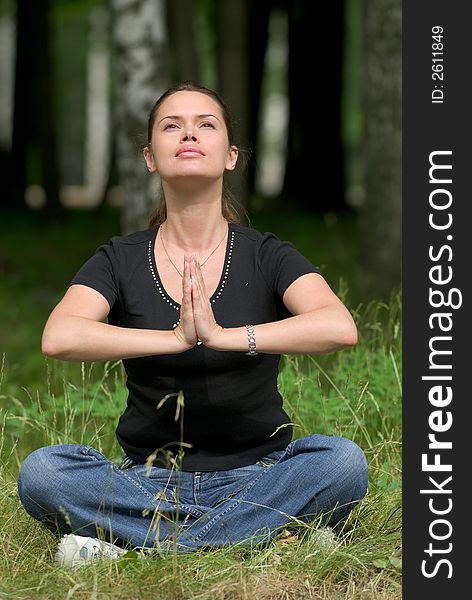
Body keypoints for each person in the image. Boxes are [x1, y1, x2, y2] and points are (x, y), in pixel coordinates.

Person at [17, 81, 368, 567]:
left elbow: (338, 326)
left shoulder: (266, 254)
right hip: (146, 480)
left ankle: (137, 547)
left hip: (259, 474)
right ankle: (258, 535)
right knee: (44, 473)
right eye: (171, 126)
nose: (189, 134)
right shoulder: (120, 258)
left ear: (230, 155)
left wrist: (227, 337)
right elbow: (59, 336)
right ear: (150, 157)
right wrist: (173, 338)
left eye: (206, 125)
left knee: (342, 463)